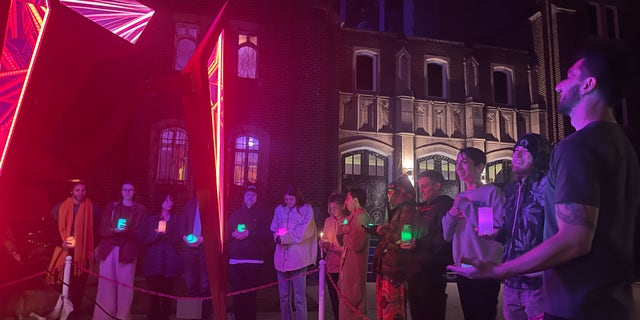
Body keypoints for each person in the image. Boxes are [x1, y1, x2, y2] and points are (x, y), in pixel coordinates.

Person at [448, 43, 640, 320]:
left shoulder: (576, 147)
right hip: (615, 305)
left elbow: (575, 240)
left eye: (569, 77)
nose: (559, 86)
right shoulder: (623, 146)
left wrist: (497, 270)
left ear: (588, 84)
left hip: (575, 306)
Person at [442, 147, 504, 320]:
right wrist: (451, 215)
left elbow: (491, 229)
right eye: (456, 162)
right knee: (469, 313)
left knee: (485, 313)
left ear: (479, 167)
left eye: (464, 162)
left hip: (484, 264)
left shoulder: (492, 192)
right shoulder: (460, 196)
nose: (458, 167)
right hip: (463, 265)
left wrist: (466, 207)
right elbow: (446, 234)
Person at [494, 133, 550, 320]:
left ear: (539, 157)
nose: (517, 155)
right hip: (511, 281)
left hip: (538, 283)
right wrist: (497, 233)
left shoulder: (547, 186)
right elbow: (513, 231)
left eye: (525, 151)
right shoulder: (510, 189)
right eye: (515, 150)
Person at [93, 182, 147, 320]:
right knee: (106, 286)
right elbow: (102, 229)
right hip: (109, 249)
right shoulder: (112, 207)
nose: (127, 192)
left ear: (134, 192)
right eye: (125, 189)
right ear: (121, 191)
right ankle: (104, 316)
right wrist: (113, 231)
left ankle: (122, 317)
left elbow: (141, 232)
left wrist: (127, 232)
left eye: (130, 190)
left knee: (124, 287)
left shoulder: (140, 210)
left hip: (127, 251)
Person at [371, 174, 420, 320]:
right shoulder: (398, 211)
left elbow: (403, 238)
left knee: (393, 310)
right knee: (385, 307)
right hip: (388, 266)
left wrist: (384, 231)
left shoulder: (408, 211)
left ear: (401, 193)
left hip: (396, 268)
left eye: (392, 191)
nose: (388, 195)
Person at [406, 170, 454, 320]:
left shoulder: (445, 207)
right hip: (415, 270)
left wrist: (419, 244)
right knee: (417, 312)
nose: (422, 190)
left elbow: (444, 238)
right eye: (420, 186)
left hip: (432, 271)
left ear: (437, 185)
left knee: (431, 312)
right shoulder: (421, 209)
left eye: (425, 186)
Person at [46, 181, 98, 312]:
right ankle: (59, 312)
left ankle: (73, 314)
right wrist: (60, 243)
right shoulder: (60, 207)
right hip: (63, 249)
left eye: (83, 190)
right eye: (77, 190)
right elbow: (51, 229)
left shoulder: (92, 208)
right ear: (72, 191)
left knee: (78, 287)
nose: (80, 193)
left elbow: (95, 231)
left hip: (81, 252)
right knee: (60, 284)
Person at [270, 186, 317, 320]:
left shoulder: (306, 209)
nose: (289, 201)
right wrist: (277, 238)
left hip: (298, 260)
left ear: (297, 197)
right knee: (284, 297)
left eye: (291, 199)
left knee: (299, 297)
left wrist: (284, 238)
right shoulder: (279, 210)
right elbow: (274, 228)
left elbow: (304, 232)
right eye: (286, 199)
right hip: (281, 259)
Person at [227, 184, 271, 320]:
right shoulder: (235, 215)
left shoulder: (263, 216)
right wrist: (233, 234)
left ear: (256, 198)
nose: (250, 197)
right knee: (237, 294)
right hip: (235, 261)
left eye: (253, 195)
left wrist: (249, 234)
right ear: (244, 197)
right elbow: (227, 234)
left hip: (253, 261)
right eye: (248, 195)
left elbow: (266, 236)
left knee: (250, 295)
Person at [138, 194, 183, 320]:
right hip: (153, 263)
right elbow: (142, 240)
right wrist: (156, 236)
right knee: (154, 297)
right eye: (167, 200)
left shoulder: (176, 220)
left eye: (171, 200)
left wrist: (167, 234)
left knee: (167, 297)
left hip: (170, 263)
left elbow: (179, 239)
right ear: (160, 201)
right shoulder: (150, 219)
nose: (170, 203)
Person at [337, 188, 372, 319]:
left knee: (353, 304)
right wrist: (342, 230)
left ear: (355, 200)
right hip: (348, 269)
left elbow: (356, 244)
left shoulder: (362, 218)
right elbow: (341, 235)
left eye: (348, 199)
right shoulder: (353, 216)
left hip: (355, 271)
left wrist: (345, 233)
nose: (345, 202)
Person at [181, 196, 212, 320]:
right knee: (191, 284)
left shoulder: (212, 205)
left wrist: (203, 239)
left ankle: (205, 316)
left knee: (205, 285)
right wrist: (186, 239)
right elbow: (182, 225)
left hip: (205, 250)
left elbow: (216, 227)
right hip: (190, 250)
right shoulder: (189, 204)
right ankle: (193, 316)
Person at [320, 192, 347, 320]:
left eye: (335, 208)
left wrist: (329, 246)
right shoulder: (328, 221)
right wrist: (323, 243)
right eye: (330, 208)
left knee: (343, 299)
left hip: (343, 266)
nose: (332, 211)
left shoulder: (347, 221)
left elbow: (345, 247)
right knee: (333, 299)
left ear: (342, 206)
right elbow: (325, 237)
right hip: (330, 266)